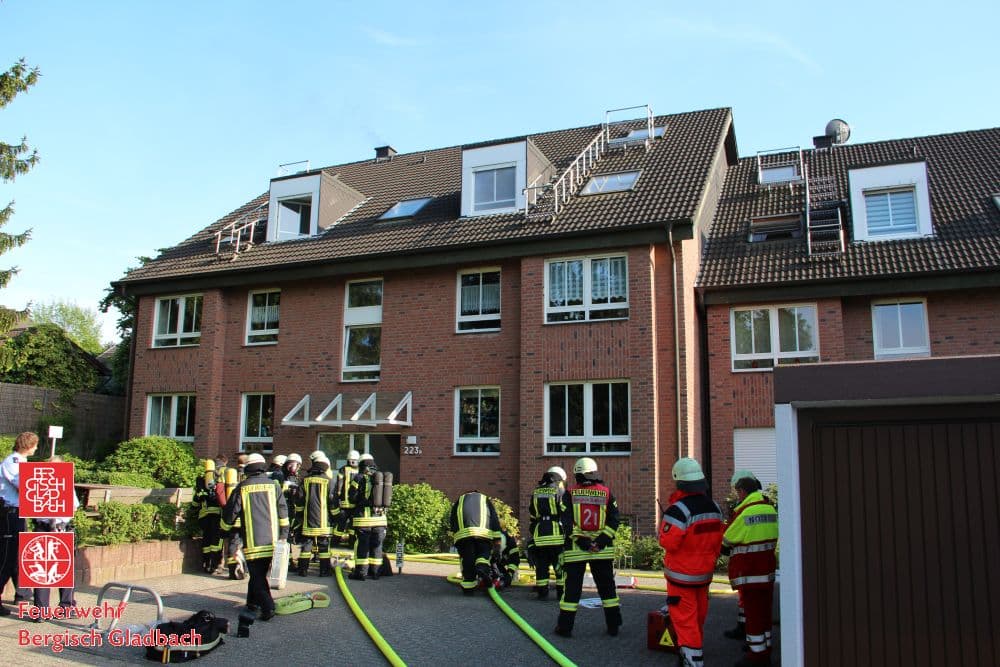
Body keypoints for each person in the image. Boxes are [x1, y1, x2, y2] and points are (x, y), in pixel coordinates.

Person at [659, 458, 724, 667]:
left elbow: (667, 542)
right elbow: (718, 541)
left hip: (681, 577)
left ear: (678, 481)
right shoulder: (714, 507)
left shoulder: (678, 510)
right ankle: (693, 650)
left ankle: (693, 660)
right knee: (698, 617)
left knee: (686, 621)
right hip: (704, 575)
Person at [554, 457, 622, 638]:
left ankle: (565, 628)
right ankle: (614, 626)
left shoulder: (569, 493)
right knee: (608, 590)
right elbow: (614, 520)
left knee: (572, 590)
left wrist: (583, 541)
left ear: (577, 474)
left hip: (577, 550)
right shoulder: (607, 493)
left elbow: (566, 522)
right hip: (602, 551)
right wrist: (600, 541)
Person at [220, 453, 289, 620]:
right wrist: (284, 535)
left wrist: (224, 531)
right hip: (272, 541)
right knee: (258, 574)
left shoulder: (242, 487)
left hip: (252, 541)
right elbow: (283, 512)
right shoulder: (274, 486)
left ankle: (268, 607)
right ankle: (252, 603)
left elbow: (230, 513)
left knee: (257, 577)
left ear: (248, 469)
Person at [723, 470, 778, 667]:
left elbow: (728, 538)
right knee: (764, 614)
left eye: (738, 492)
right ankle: (766, 649)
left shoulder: (747, 512)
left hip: (750, 573)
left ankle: (756, 657)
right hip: (767, 572)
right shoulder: (769, 509)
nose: (738, 496)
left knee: (753, 616)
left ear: (743, 491)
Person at [30, 455, 81, 616]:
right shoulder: (64, 483)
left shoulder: (36, 484)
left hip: (42, 528)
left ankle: (41, 611)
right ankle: (65, 607)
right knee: (63, 569)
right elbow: (75, 506)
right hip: (60, 529)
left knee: (42, 571)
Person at [0, 432, 39, 616]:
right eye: (35, 445)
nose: (36, 448)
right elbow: (22, 484)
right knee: (7, 558)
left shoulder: (21, 462)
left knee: (18, 555)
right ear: (28, 445)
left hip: (18, 513)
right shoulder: (13, 462)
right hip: (10, 513)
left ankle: (23, 594)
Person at [449, 490, 501, 595]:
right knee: (483, 552)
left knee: (468, 559)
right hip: (483, 534)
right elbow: (494, 519)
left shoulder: (460, 499)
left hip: (463, 535)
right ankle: (481, 566)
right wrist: (497, 541)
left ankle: (468, 587)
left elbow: (452, 519)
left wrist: (456, 537)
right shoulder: (484, 498)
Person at [528, 465, 567, 600]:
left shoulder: (536, 492)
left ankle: (542, 592)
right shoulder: (559, 491)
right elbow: (564, 511)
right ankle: (561, 593)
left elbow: (532, 514)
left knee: (542, 566)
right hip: (556, 536)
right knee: (559, 565)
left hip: (540, 536)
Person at [295, 452, 336, 577]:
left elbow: (300, 499)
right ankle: (324, 571)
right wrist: (335, 516)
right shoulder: (329, 481)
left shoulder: (305, 480)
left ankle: (303, 570)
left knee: (306, 546)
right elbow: (332, 502)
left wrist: (300, 515)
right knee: (324, 547)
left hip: (308, 520)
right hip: (324, 522)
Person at [347, 454, 387, 581]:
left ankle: (361, 573)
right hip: (380, 518)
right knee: (377, 545)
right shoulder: (380, 478)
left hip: (363, 518)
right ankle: (375, 572)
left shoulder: (358, 478)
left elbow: (352, 497)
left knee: (362, 545)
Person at [192, 458, 224, 573]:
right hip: (217, 516)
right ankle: (215, 566)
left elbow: (195, 502)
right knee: (216, 542)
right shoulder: (221, 480)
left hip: (204, 517)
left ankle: (206, 565)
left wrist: (195, 508)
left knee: (206, 540)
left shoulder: (201, 481)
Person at [332, 449, 360, 545]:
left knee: (349, 524)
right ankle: (338, 541)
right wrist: (339, 493)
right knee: (344, 523)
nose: (352, 462)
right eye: (350, 460)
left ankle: (345, 541)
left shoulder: (345, 469)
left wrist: (338, 493)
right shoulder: (346, 469)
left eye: (354, 460)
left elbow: (339, 482)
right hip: (348, 502)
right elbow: (339, 482)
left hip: (351, 502)